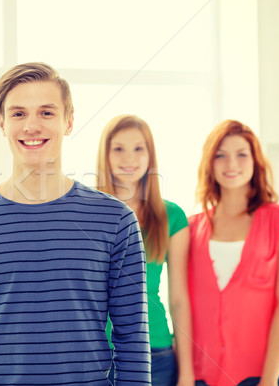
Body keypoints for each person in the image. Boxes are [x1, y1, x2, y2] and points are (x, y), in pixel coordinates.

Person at [0, 62, 151, 385]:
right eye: (18, 114)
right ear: (2, 123)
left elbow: (132, 344)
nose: (31, 126)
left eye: (46, 112)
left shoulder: (117, 222)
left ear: (69, 121)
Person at [189, 120, 279, 386]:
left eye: (241, 154)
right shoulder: (192, 228)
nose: (231, 164)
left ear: (255, 161)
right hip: (202, 376)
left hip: (262, 375)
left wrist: (270, 380)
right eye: (221, 155)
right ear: (209, 162)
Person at [97, 114, 193, 385]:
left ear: (151, 155)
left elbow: (179, 300)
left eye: (139, 148)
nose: (129, 158)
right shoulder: (86, 210)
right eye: (119, 149)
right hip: (94, 354)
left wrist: (186, 373)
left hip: (156, 352)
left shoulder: (172, 216)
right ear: (105, 154)